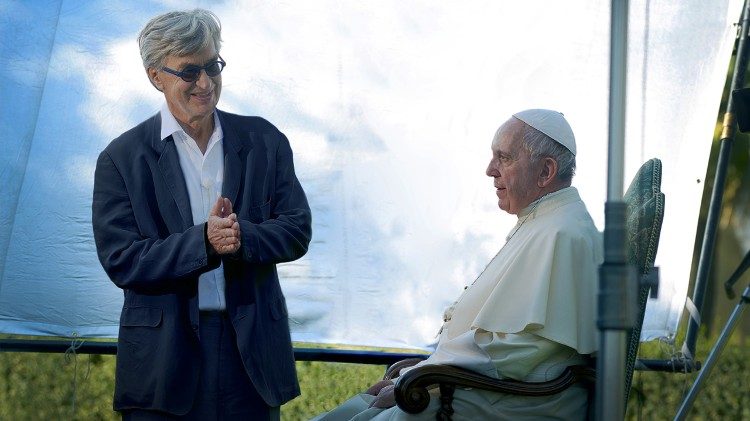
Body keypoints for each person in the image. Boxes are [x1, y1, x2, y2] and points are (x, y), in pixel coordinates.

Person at [91, 9, 311, 420]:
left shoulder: (265, 140)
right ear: (155, 77)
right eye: (190, 72)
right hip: (163, 362)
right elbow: (122, 259)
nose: (206, 83)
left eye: (213, 66)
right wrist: (204, 242)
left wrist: (241, 236)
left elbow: (297, 229)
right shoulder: (121, 159)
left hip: (253, 360)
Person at [315, 109, 602, 420]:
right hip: (498, 386)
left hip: (524, 401)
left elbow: (521, 350)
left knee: (393, 412)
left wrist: (425, 375)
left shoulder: (564, 232)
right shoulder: (544, 222)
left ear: (545, 171)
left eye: (504, 158)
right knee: (354, 410)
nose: (490, 170)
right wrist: (426, 369)